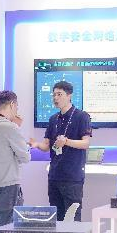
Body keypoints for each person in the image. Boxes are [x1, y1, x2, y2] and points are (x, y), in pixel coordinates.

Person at [30, 81, 92, 221]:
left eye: (59, 94)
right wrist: (36, 144)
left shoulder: (82, 116)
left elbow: (86, 143)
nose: (55, 98)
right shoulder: (53, 119)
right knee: (56, 218)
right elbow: (46, 145)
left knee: (72, 218)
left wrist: (67, 141)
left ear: (69, 95)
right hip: (54, 175)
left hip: (72, 177)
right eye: (54, 95)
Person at [0, 90, 31, 228]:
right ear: (12, 104)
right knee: (8, 232)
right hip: (9, 188)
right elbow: (25, 157)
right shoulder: (10, 127)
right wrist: (18, 128)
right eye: (17, 106)